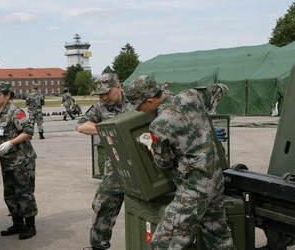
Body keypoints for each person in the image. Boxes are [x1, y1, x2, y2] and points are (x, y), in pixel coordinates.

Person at [125, 75, 234, 250]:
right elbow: (221, 88)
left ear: (151, 101)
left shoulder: (159, 125)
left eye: (139, 106)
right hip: (216, 179)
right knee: (218, 236)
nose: (139, 110)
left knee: (163, 243)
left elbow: (164, 163)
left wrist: (151, 146)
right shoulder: (191, 95)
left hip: (194, 187)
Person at [76, 73, 134, 250]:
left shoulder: (137, 100)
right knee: (103, 204)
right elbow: (81, 125)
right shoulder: (100, 107)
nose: (103, 97)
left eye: (106, 93)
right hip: (116, 163)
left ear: (119, 86)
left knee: (147, 208)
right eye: (100, 94)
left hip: (143, 161)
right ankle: (98, 246)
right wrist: (107, 131)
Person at [0, 82, 38, 240]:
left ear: (7, 96)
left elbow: (28, 132)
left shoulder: (15, 112)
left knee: (24, 193)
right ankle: (17, 224)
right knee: (9, 193)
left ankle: (30, 226)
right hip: (6, 161)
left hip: (21, 160)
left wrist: (11, 143)